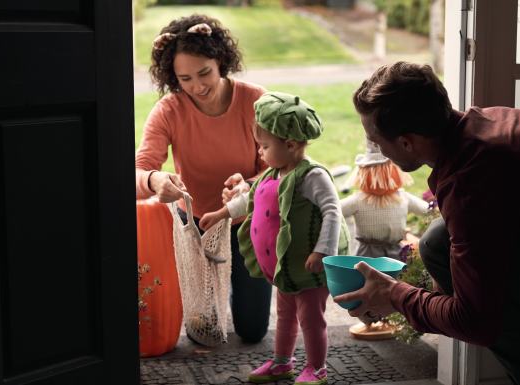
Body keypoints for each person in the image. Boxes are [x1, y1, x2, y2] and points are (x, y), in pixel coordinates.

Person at [334, 61, 520, 384]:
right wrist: (421, 296)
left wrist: (395, 295)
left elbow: (475, 322)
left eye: (376, 140)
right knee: (438, 242)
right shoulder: (480, 127)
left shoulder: (473, 178)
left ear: (407, 141)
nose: (377, 149)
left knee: (447, 257)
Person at [135, 14, 272, 344]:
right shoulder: (169, 110)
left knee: (253, 332)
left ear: (221, 60)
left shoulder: (256, 101)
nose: (197, 86)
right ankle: (209, 296)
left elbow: (279, 170)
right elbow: (138, 170)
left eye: (204, 73)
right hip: (193, 229)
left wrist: (249, 187)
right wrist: (154, 180)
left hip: (247, 224)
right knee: (202, 333)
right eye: (185, 78)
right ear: (173, 78)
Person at [199, 91, 349, 385]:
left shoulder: (312, 176)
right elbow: (250, 200)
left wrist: (323, 252)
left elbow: (333, 212)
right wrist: (221, 213)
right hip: (286, 269)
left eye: (265, 146)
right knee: (284, 316)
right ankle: (282, 362)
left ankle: (317, 368)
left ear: (291, 145)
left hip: (309, 269)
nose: (260, 153)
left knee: (311, 319)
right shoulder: (273, 173)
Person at [340, 139, 430, 340]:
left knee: (380, 286)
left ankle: (382, 319)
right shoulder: (400, 197)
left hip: (376, 253)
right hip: (381, 253)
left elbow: (334, 211)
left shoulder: (359, 199)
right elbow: (428, 210)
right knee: (378, 286)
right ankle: (374, 320)